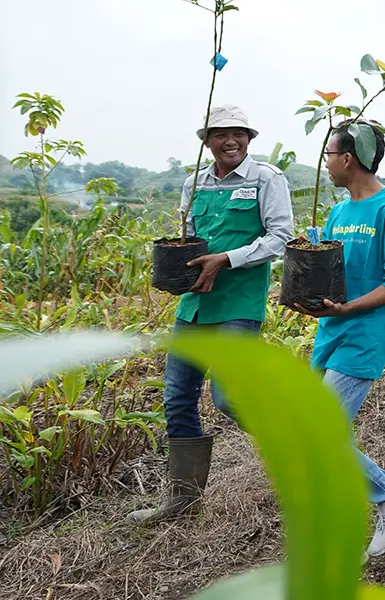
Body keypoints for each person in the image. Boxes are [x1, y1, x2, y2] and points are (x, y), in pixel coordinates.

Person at [127, 105, 293, 524]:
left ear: (250, 139)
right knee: (177, 398)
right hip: (194, 306)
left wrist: (227, 259)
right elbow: (188, 238)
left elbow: (281, 237)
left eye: (239, 133)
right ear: (207, 141)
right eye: (221, 134)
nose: (231, 141)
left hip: (238, 304)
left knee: (229, 396)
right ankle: (181, 501)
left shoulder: (265, 179)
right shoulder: (194, 183)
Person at [292, 121, 385, 558]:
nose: (325, 162)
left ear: (348, 158)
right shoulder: (339, 211)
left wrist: (350, 309)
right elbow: (329, 271)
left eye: (329, 153)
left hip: (365, 333)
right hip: (331, 331)